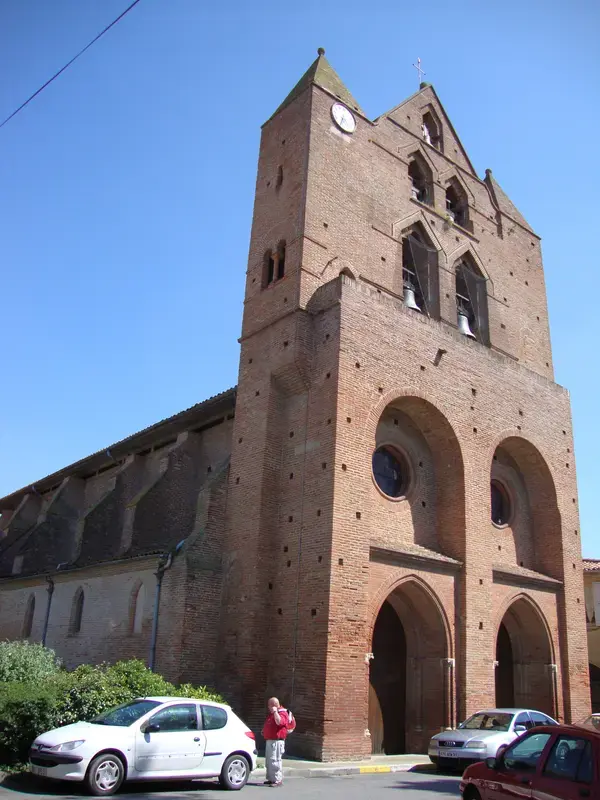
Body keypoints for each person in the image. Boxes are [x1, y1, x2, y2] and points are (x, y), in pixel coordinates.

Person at [262, 697, 291, 787]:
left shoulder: (282, 713)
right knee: (269, 761)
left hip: (277, 742)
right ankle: (271, 779)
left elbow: (279, 722)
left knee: (275, 760)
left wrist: (275, 712)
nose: (268, 707)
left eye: (269, 705)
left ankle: (277, 780)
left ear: (274, 705)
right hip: (270, 740)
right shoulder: (272, 714)